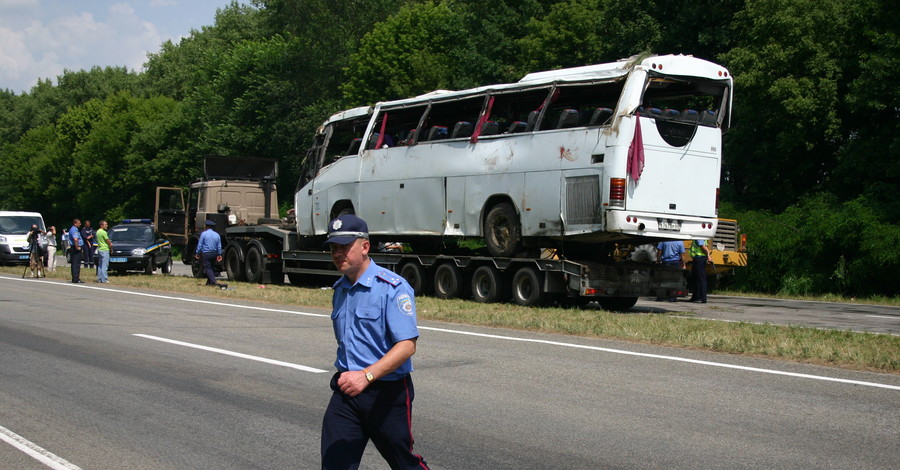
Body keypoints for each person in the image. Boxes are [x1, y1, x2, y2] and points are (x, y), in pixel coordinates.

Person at [320, 214, 429, 470]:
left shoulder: (392, 288)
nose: (338, 254)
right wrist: (354, 377)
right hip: (347, 392)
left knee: (403, 462)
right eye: (334, 248)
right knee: (335, 463)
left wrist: (366, 376)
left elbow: (407, 346)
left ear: (365, 246)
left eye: (344, 247)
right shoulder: (341, 288)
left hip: (386, 393)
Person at [194, 220, 226, 288]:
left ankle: (213, 281)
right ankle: (209, 283)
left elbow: (200, 244)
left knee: (207, 268)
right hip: (214, 253)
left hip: (206, 253)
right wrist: (219, 254)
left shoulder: (204, 234)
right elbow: (219, 246)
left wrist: (197, 252)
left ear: (206, 226)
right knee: (211, 267)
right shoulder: (217, 235)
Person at [689, 239, 711, 303]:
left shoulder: (699, 237)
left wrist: (708, 256)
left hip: (699, 258)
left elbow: (703, 247)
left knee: (701, 279)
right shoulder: (701, 237)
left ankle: (703, 298)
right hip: (698, 258)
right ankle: (695, 296)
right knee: (696, 279)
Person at [68, 219, 84, 283]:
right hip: (75, 248)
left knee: (77, 263)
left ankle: (77, 277)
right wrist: (77, 247)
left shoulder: (75, 229)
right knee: (75, 264)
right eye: (79, 223)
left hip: (76, 247)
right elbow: (75, 239)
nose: (80, 224)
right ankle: (75, 278)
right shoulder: (74, 230)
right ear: (75, 223)